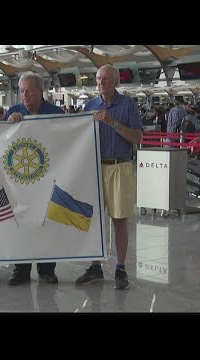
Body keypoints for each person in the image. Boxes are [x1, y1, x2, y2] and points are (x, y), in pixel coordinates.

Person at [75, 64, 142, 290]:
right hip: (95, 167)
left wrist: (111, 121)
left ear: (116, 82)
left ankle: (121, 268)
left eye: (105, 78)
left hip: (119, 166)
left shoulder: (128, 105)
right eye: (98, 78)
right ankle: (95, 267)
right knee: (93, 220)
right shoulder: (89, 106)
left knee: (119, 220)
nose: (101, 82)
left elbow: (136, 138)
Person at [4, 71, 65, 286]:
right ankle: (20, 270)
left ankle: (47, 269)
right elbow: (0, 142)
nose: (25, 95)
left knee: (46, 223)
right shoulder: (12, 112)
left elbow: (66, 142)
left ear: (40, 91)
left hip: (47, 178)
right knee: (20, 223)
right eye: (21, 91)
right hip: (19, 180)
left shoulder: (56, 113)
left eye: (29, 90)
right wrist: (9, 125)